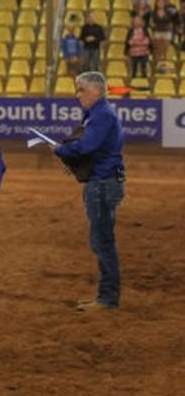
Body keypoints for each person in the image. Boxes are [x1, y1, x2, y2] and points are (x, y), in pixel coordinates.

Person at [55, 71, 125, 311]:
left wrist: (61, 150)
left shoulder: (101, 115)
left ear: (96, 90)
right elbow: (93, 149)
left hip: (102, 184)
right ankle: (106, 296)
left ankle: (107, 298)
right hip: (104, 181)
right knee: (102, 240)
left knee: (102, 241)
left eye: (81, 89)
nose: (77, 95)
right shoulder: (99, 114)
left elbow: (87, 146)